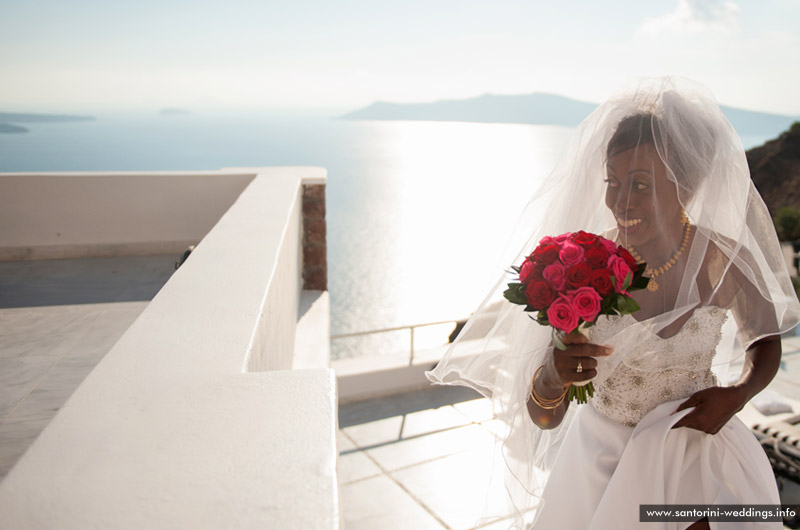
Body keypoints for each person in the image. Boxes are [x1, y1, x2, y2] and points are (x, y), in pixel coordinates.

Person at [425, 76, 800, 529]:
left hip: (695, 455)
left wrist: (739, 394)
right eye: (613, 181)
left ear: (684, 186)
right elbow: (544, 417)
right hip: (602, 469)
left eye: (640, 184)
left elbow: (765, 337)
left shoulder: (721, 259)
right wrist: (551, 376)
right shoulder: (582, 267)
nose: (621, 201)